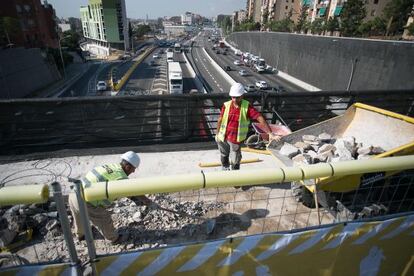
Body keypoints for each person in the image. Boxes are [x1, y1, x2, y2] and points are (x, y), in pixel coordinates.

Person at [68, 151, 152, 244]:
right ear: (128, 166)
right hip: (86, 201)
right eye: (133, 169)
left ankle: (81, 235)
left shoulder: (112, 167)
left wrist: (135, 198)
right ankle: (113, 239)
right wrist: (148, 202)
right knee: (104, 218)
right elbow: (133, 191)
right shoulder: (120, 177)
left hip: (74, 193)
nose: (133, 171)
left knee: (79, 217)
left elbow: (125, 190)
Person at [216, 83, 276, 171]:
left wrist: (270, 133)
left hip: (235, 139)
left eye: (237, 97)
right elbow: (220, 120)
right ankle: (225, 167)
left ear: (242, 96)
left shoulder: (247, 107)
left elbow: (260, 118)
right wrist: (217, 134)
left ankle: (235, 175)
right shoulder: (226, 105)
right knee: (224, 154)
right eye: (233, 97)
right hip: (223, 136)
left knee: (236, 158)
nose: (235, 100)